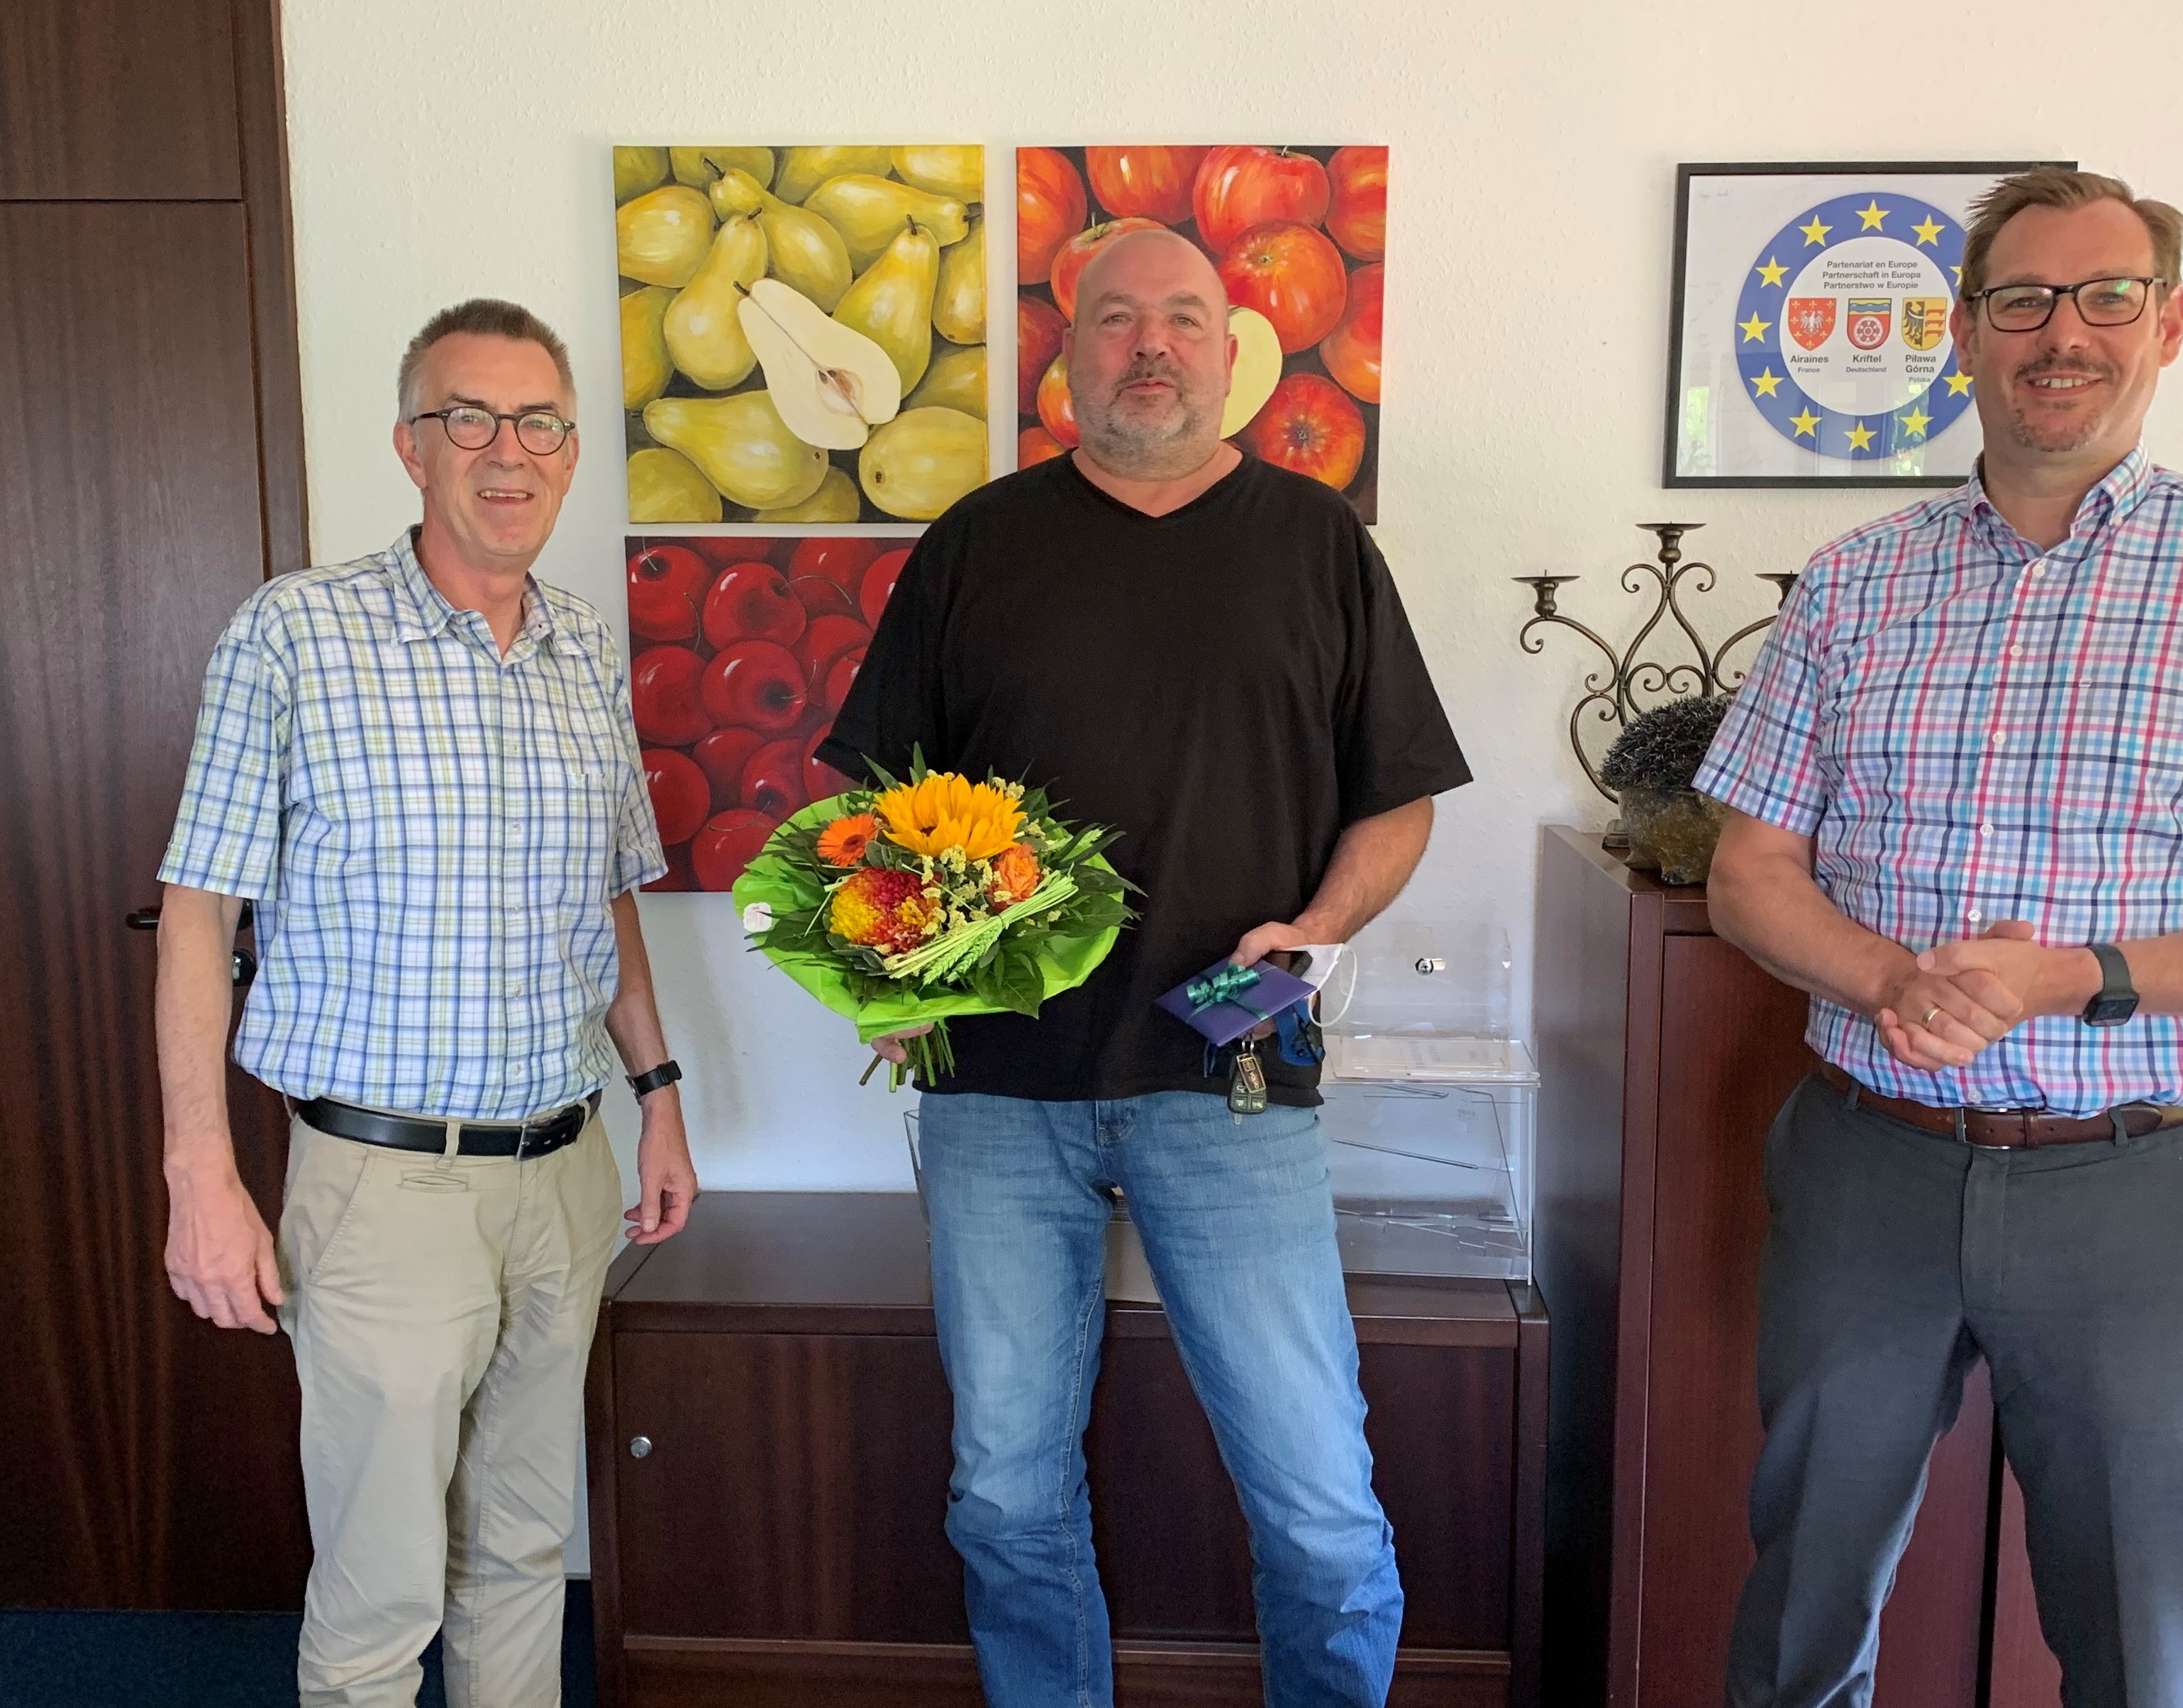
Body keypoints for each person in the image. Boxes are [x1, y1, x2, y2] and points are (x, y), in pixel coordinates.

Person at [1694, 170, 2183, 1707]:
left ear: (2165, 324)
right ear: (1961, 334)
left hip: (2138, 1182)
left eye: (2105, 296)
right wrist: (1885, 979)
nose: (2062, 333)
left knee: (2139, 1633)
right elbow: (1746, 874)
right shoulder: (1854, 585)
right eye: (2021, 301)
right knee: (1801, 1598)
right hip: (1869, 1158)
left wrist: (2077, 976)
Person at [821, 228, 1469, 1707]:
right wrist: (896, 968)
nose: (1151, 345)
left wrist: (1320, 926)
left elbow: (1400, 793)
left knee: (1316, 1504)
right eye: (1118, 320)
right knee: (1001, 1493)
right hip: (996, 1092)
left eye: (1183, 317)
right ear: (1068, 354)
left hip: (1229, 1081)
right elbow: (872, 813)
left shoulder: (1316, 545)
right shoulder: (974, 545)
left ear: (1233, 350)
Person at [155, 299, 699, 1708]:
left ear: (572, 454)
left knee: (522, 1543)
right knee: (383, 1581)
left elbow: (610, 898)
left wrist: (658, 1100)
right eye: (469, 417)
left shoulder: (582, 651)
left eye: (536, 424)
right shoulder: (295, 634)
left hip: (560, 1172)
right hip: (382, 1185)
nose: (504, 452)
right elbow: (202, 908)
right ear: (411, 444)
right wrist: (200, 1174)